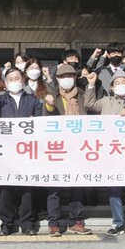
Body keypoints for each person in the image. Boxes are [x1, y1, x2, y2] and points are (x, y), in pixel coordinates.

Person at [84, 70, 125, 237]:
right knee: (114, 190)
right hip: (112, 151)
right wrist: (90, 85)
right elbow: (89, 104)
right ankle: (117, 223)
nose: (121, 86)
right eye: (117, 83)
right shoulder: (105, 102)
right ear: (111, 87)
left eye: (124, 82)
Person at [0, 68, 43, 236]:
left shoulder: (32, 99)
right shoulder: (0, 99)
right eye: (10, 78)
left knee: (27, 189)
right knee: (5, 189)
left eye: (17, 78)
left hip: (27, 150)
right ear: (5, 82)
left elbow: (40, 119)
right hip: (6, 151)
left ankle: (27, 224)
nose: (14, 81)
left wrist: (36, 122)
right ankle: (6, 224)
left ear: (23, 80)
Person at [43, 65, 92, 236]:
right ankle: (54, 222)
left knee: (77, 185)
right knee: (54, 186)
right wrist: (49, 106)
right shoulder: (52, 96)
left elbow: (92, 114)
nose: (67, 78)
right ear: (57, 78)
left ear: (75, 77)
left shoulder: (83, 95)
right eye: (63, 76)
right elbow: (45, 121)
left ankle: (76, 221)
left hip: (79, 145)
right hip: (57, 146)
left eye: (70, 75)